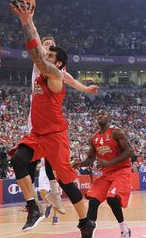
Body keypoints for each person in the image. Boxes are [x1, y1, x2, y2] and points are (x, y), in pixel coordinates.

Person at [8, 0, 94, 238]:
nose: (45, 56)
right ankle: (33, 207)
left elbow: (37, 53)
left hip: (56, 135)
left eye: (51, 56)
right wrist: (27, 24)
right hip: (38, 133)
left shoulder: (55, 76)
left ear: (58, 64)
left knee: (67, 183)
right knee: (18, 161)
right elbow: (37, 54)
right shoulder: (43, 70)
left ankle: (85, 223)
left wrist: (28, 21)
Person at [32, 36, 99, 220]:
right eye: (46, 45)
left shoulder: (57, 69)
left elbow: (71, 80)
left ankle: (53, 195)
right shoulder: (41, 61)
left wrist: (86, 89)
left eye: (51, 45)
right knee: (28, 159)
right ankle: (34, 200)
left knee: (51, 161)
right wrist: (28, 21)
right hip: (36, 112)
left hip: (48, 116)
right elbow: (36, 44)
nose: (48, 47)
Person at [72, 109, 135, 238]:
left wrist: (110, 162)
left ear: (108, 117)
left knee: (112, 199)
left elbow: (130, 151)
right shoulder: (94, 138)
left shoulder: (116, 132)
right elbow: (90, 159)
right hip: (107, 174)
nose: (100, 116)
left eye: (103, 114)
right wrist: (79, 164)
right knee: (93, 201)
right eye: (98, 114)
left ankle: (124, 231)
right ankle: (87, 237)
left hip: (121, 172)